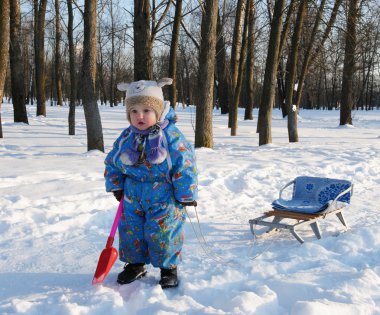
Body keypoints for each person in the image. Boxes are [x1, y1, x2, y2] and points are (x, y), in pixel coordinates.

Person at [104, 78, 198, 289]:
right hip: (132, 193)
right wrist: (116, 184)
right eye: (134, 111)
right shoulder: (127, 135)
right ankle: (135, 264)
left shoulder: (170, 135)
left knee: (164, 231)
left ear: (158, 111)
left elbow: (185, 164)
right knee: (131, 230)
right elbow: (112, 160)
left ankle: (168, 268)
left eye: (146, 110)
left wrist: (186, 193)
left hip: (163, 194)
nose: (140, 116)